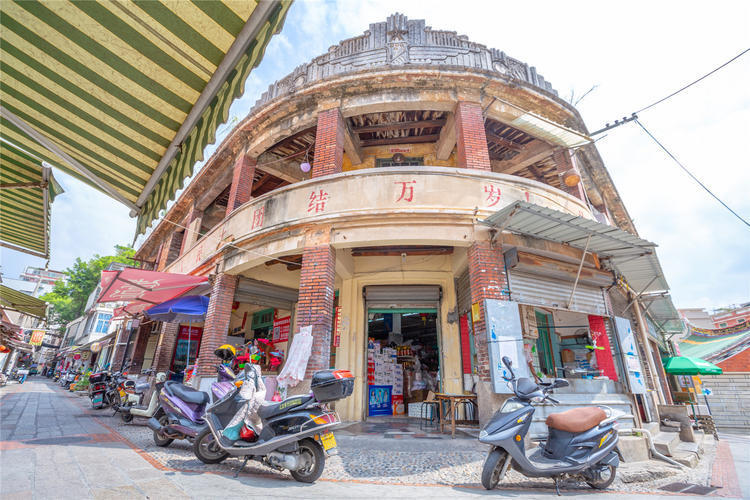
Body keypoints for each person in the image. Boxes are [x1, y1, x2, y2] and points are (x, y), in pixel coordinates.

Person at [220, 359, 266, 447]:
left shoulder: (254, 382)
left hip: (252, 405)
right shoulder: (257, 382)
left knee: (242, 416)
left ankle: (233, 438)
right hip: (253, 404)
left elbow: (246, 395)